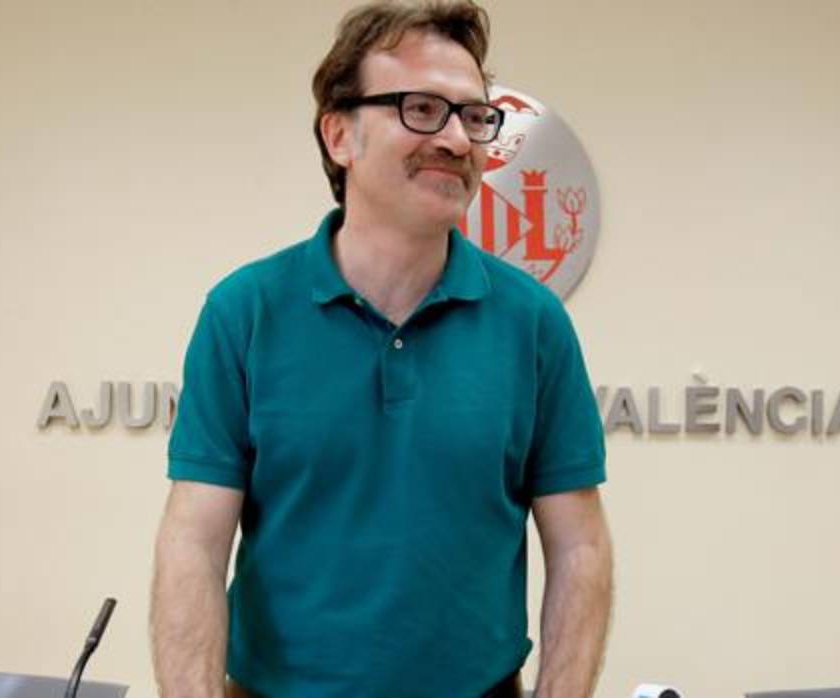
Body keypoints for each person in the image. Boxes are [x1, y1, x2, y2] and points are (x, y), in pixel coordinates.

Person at [150, 2, 612, 696]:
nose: (456, 139)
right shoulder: (244, 312)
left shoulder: (534, 323)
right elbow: (194, 542)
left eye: (474, 116)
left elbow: (581, 547)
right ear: (340, 135)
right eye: (421, 109)